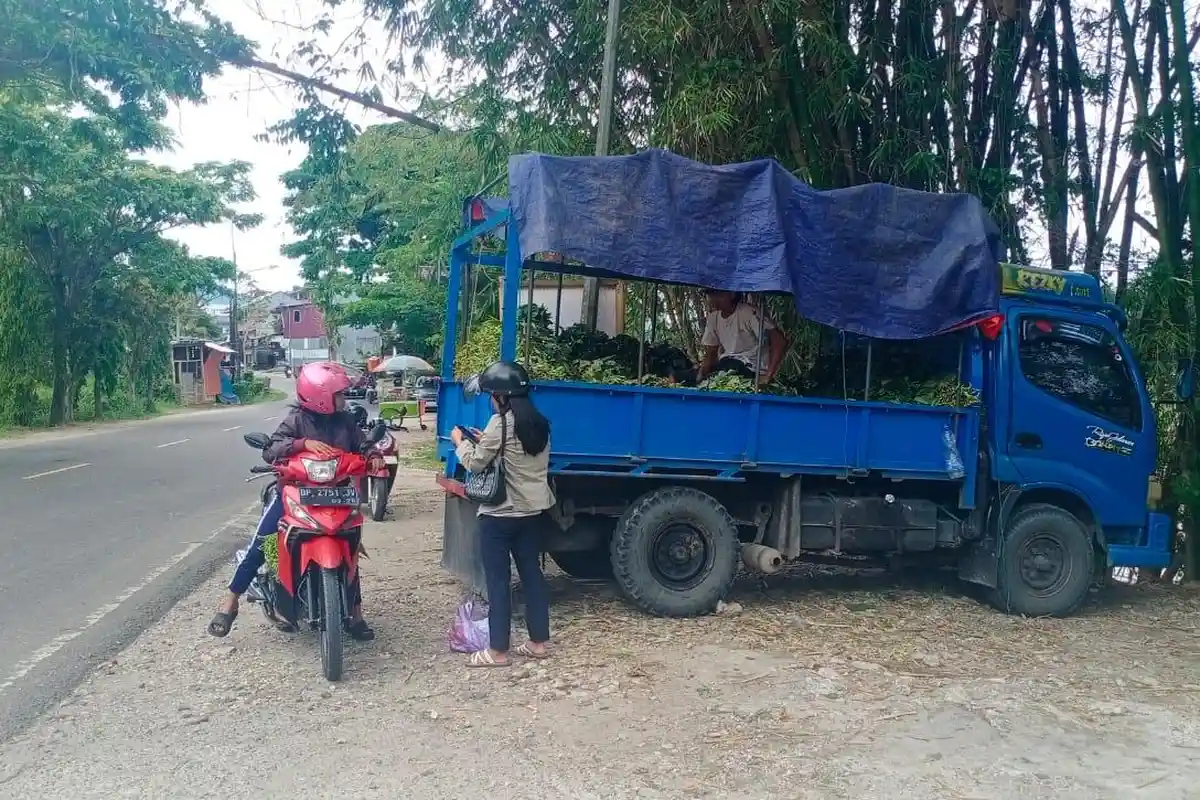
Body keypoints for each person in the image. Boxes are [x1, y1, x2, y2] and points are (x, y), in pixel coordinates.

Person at [207, 361, 376, 641]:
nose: (343, 399)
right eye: (338, 394)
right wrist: (301, 444)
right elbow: (272, 449)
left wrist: (373, 453)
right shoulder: (296, 420)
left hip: (336, 494)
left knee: (351, 548)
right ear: (321, 397)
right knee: (262, 542)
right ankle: (230, 601)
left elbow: (363, 443)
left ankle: (355, 614)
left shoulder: (345, 420)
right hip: (296, 492)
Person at [450, 360, 554, 667]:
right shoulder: (540, 424)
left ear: (501, 397)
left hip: (500, 515)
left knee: (498, 581)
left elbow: (475, 463)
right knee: (532, 576)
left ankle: (497, 651)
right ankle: (538, 643)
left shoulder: (501, 423)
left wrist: (460, 443)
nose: (491, 401)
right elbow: (515, 455)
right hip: (532, 512)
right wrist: (486, 440)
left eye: (491, 396)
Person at [696, 291, 788, 383]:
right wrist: (701, 375)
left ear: (732, 295)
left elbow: (779, 341)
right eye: (711, 295)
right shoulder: (713, 318)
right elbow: (711, 351)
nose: (713, 299)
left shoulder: (749, 312)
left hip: (751, 367)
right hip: (727, 366)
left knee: (729, 367)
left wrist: (768, 376)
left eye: (719, 295)